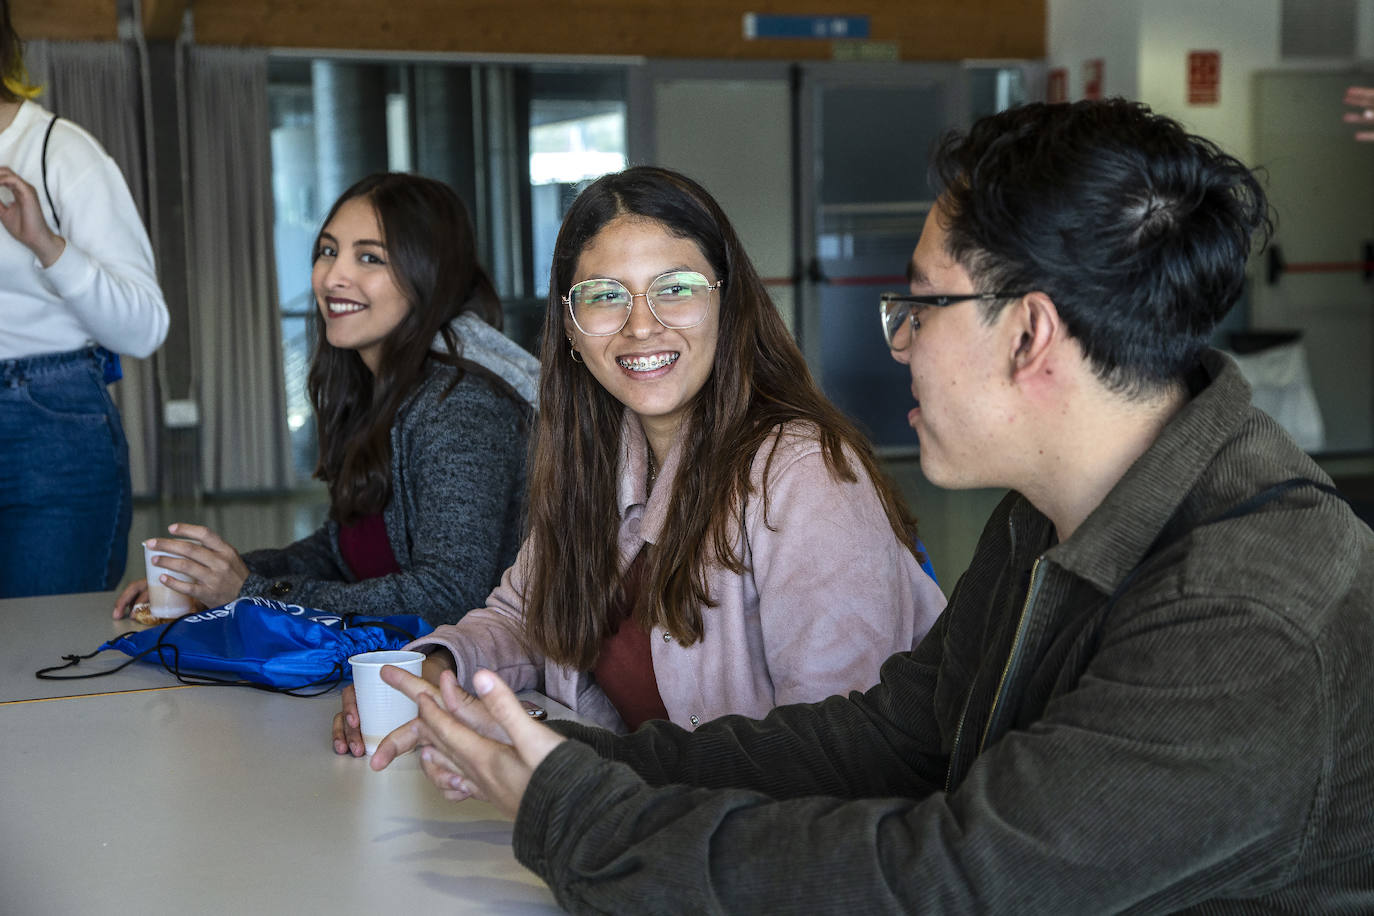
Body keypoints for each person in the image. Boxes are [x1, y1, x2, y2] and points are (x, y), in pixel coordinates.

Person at [376, 100, 1374, 911]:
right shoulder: (1048, 516)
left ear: (1028, 335)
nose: (897, 341)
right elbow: (894, 735)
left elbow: (953, 878)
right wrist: (568, 756)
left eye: (920, 307)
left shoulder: (1247, 615)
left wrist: (585, 819)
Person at [333, 165, 946, 753]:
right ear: (571, 329)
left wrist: (579, 773)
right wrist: (432, 669)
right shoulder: (597, 459)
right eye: (604, 296)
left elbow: (836, 748)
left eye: (675, 289)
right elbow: (523, 617)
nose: (641, 326)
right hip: (645, 821)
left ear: (729, 306)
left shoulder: (803, 470)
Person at [113, 173, 536, 626]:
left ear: (429, 274)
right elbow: (342, 551)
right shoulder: (377, 385)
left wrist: (249, 593)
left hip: (488, 681)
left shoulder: (460, 404)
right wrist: (201, 579)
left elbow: (449, 595)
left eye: (370, 257)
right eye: (328, 251)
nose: (334, 277)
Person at [0, 2, 168, 598]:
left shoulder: (58, 152)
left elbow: (145, 326)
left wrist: (45, 244)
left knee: (37, 653)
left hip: (48, 424)